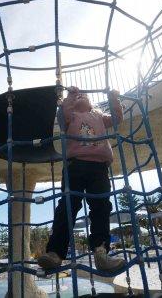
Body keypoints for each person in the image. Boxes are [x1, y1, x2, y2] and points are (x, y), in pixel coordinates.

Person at [38, 86, 126, 272]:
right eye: (78, 96)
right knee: (68, 206)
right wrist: (71, 95)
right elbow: (64, 111)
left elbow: (117, 119)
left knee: (101, 206)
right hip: (74, 164)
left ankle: (101, 251)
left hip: (98, 166)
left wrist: (114, 99)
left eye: (83, 94)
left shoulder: (99, 116)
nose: (81, 96)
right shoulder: (70, 116)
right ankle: (55, 253)